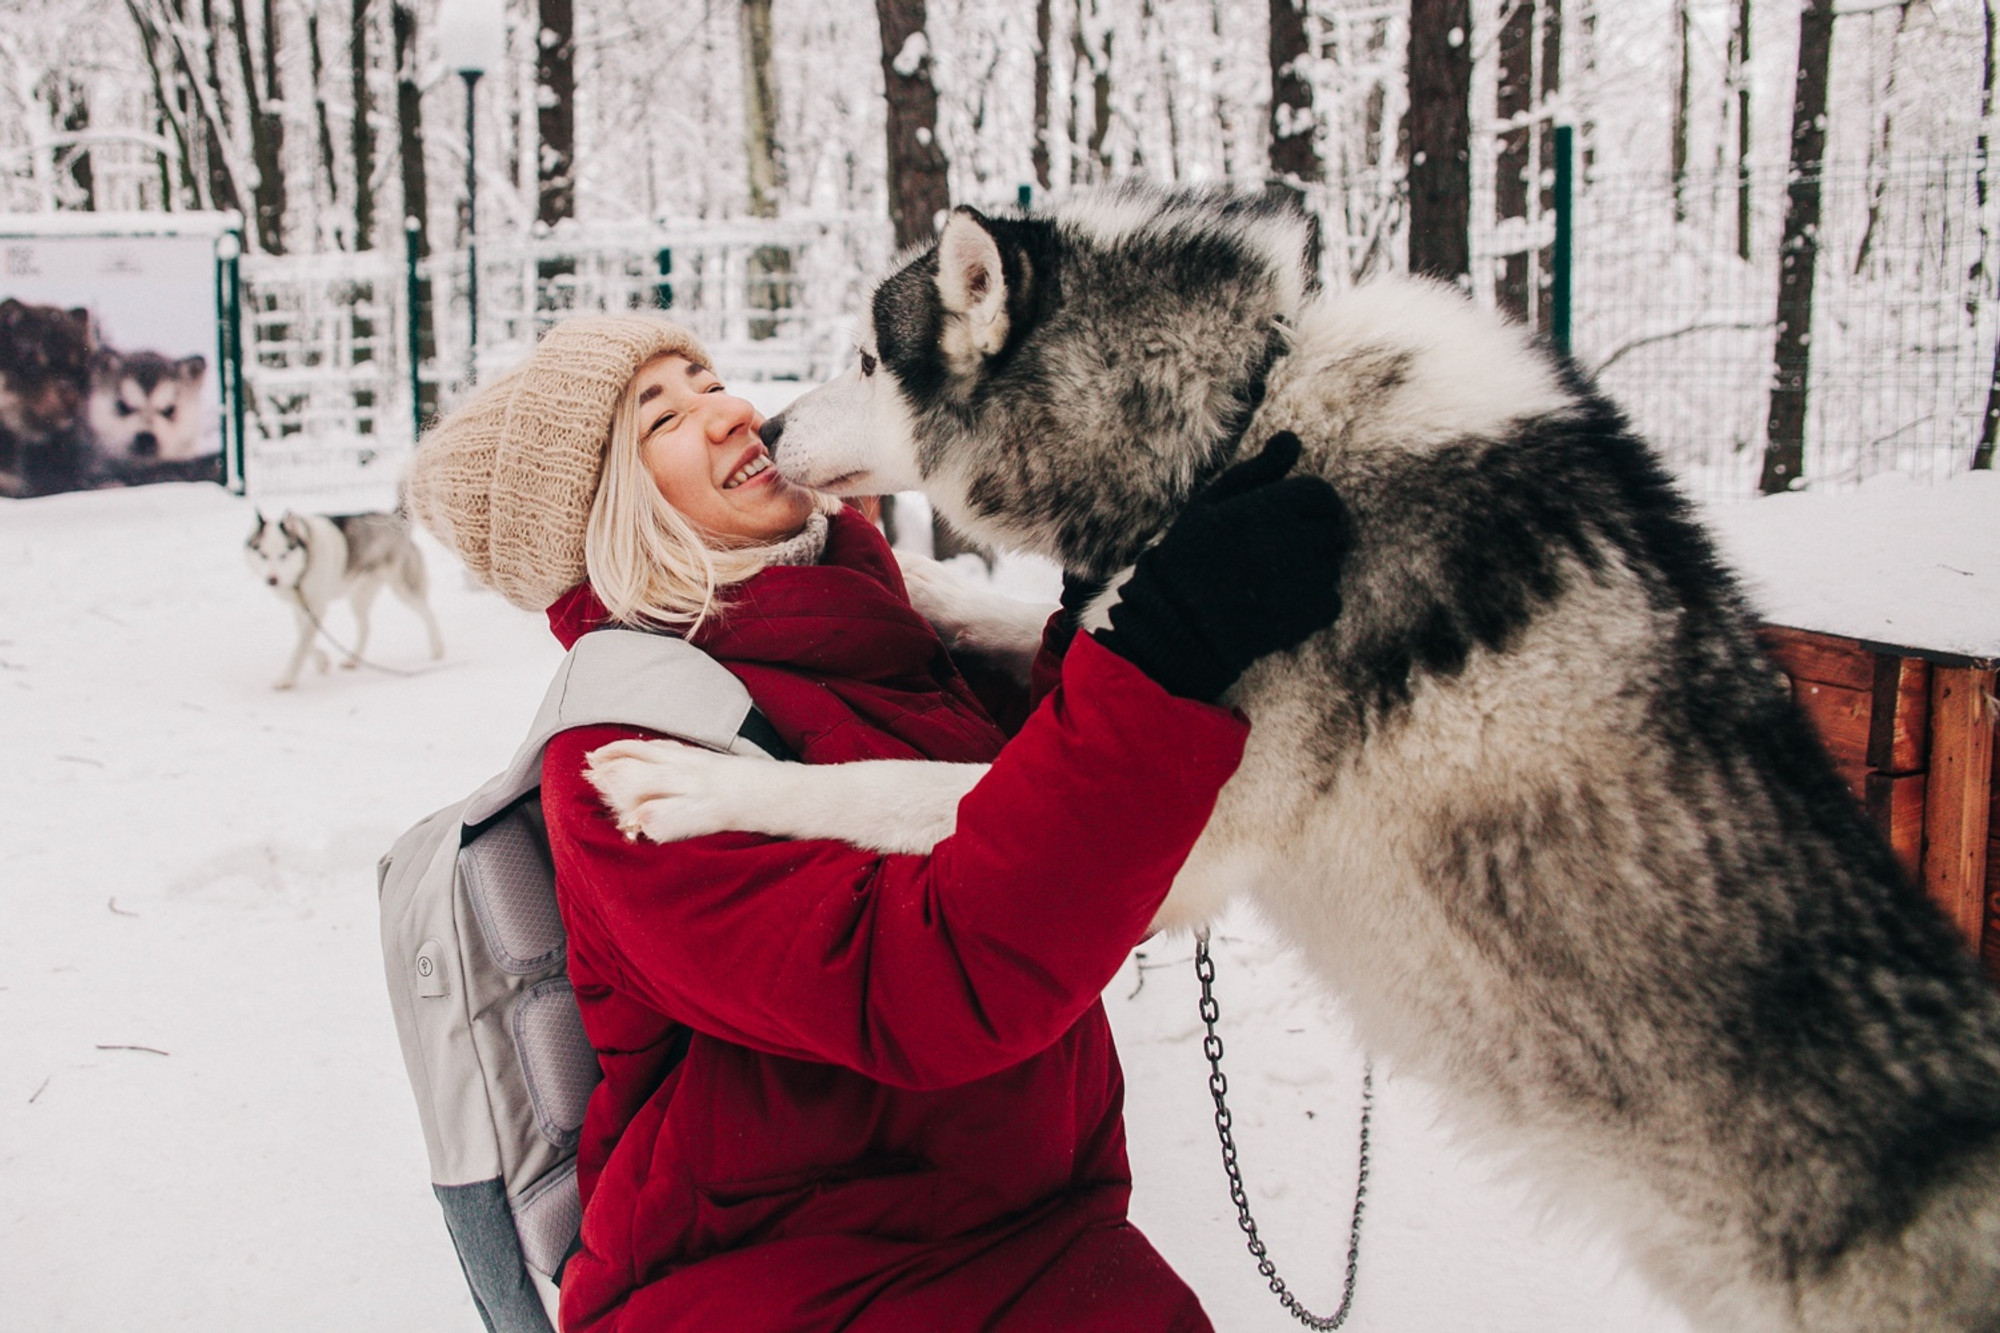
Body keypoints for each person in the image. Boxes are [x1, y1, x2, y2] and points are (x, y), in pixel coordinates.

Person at [403, 314, 1345, 1332]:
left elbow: (1033, 812)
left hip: (1019, 1223)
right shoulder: (623, 763)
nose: (725, 410)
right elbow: (924, 978)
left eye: (707, 377)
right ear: (608, 514)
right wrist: (1163, 655)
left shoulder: (863, 632)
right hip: (781, 1282)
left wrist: (1110, 595)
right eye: (659, 415)